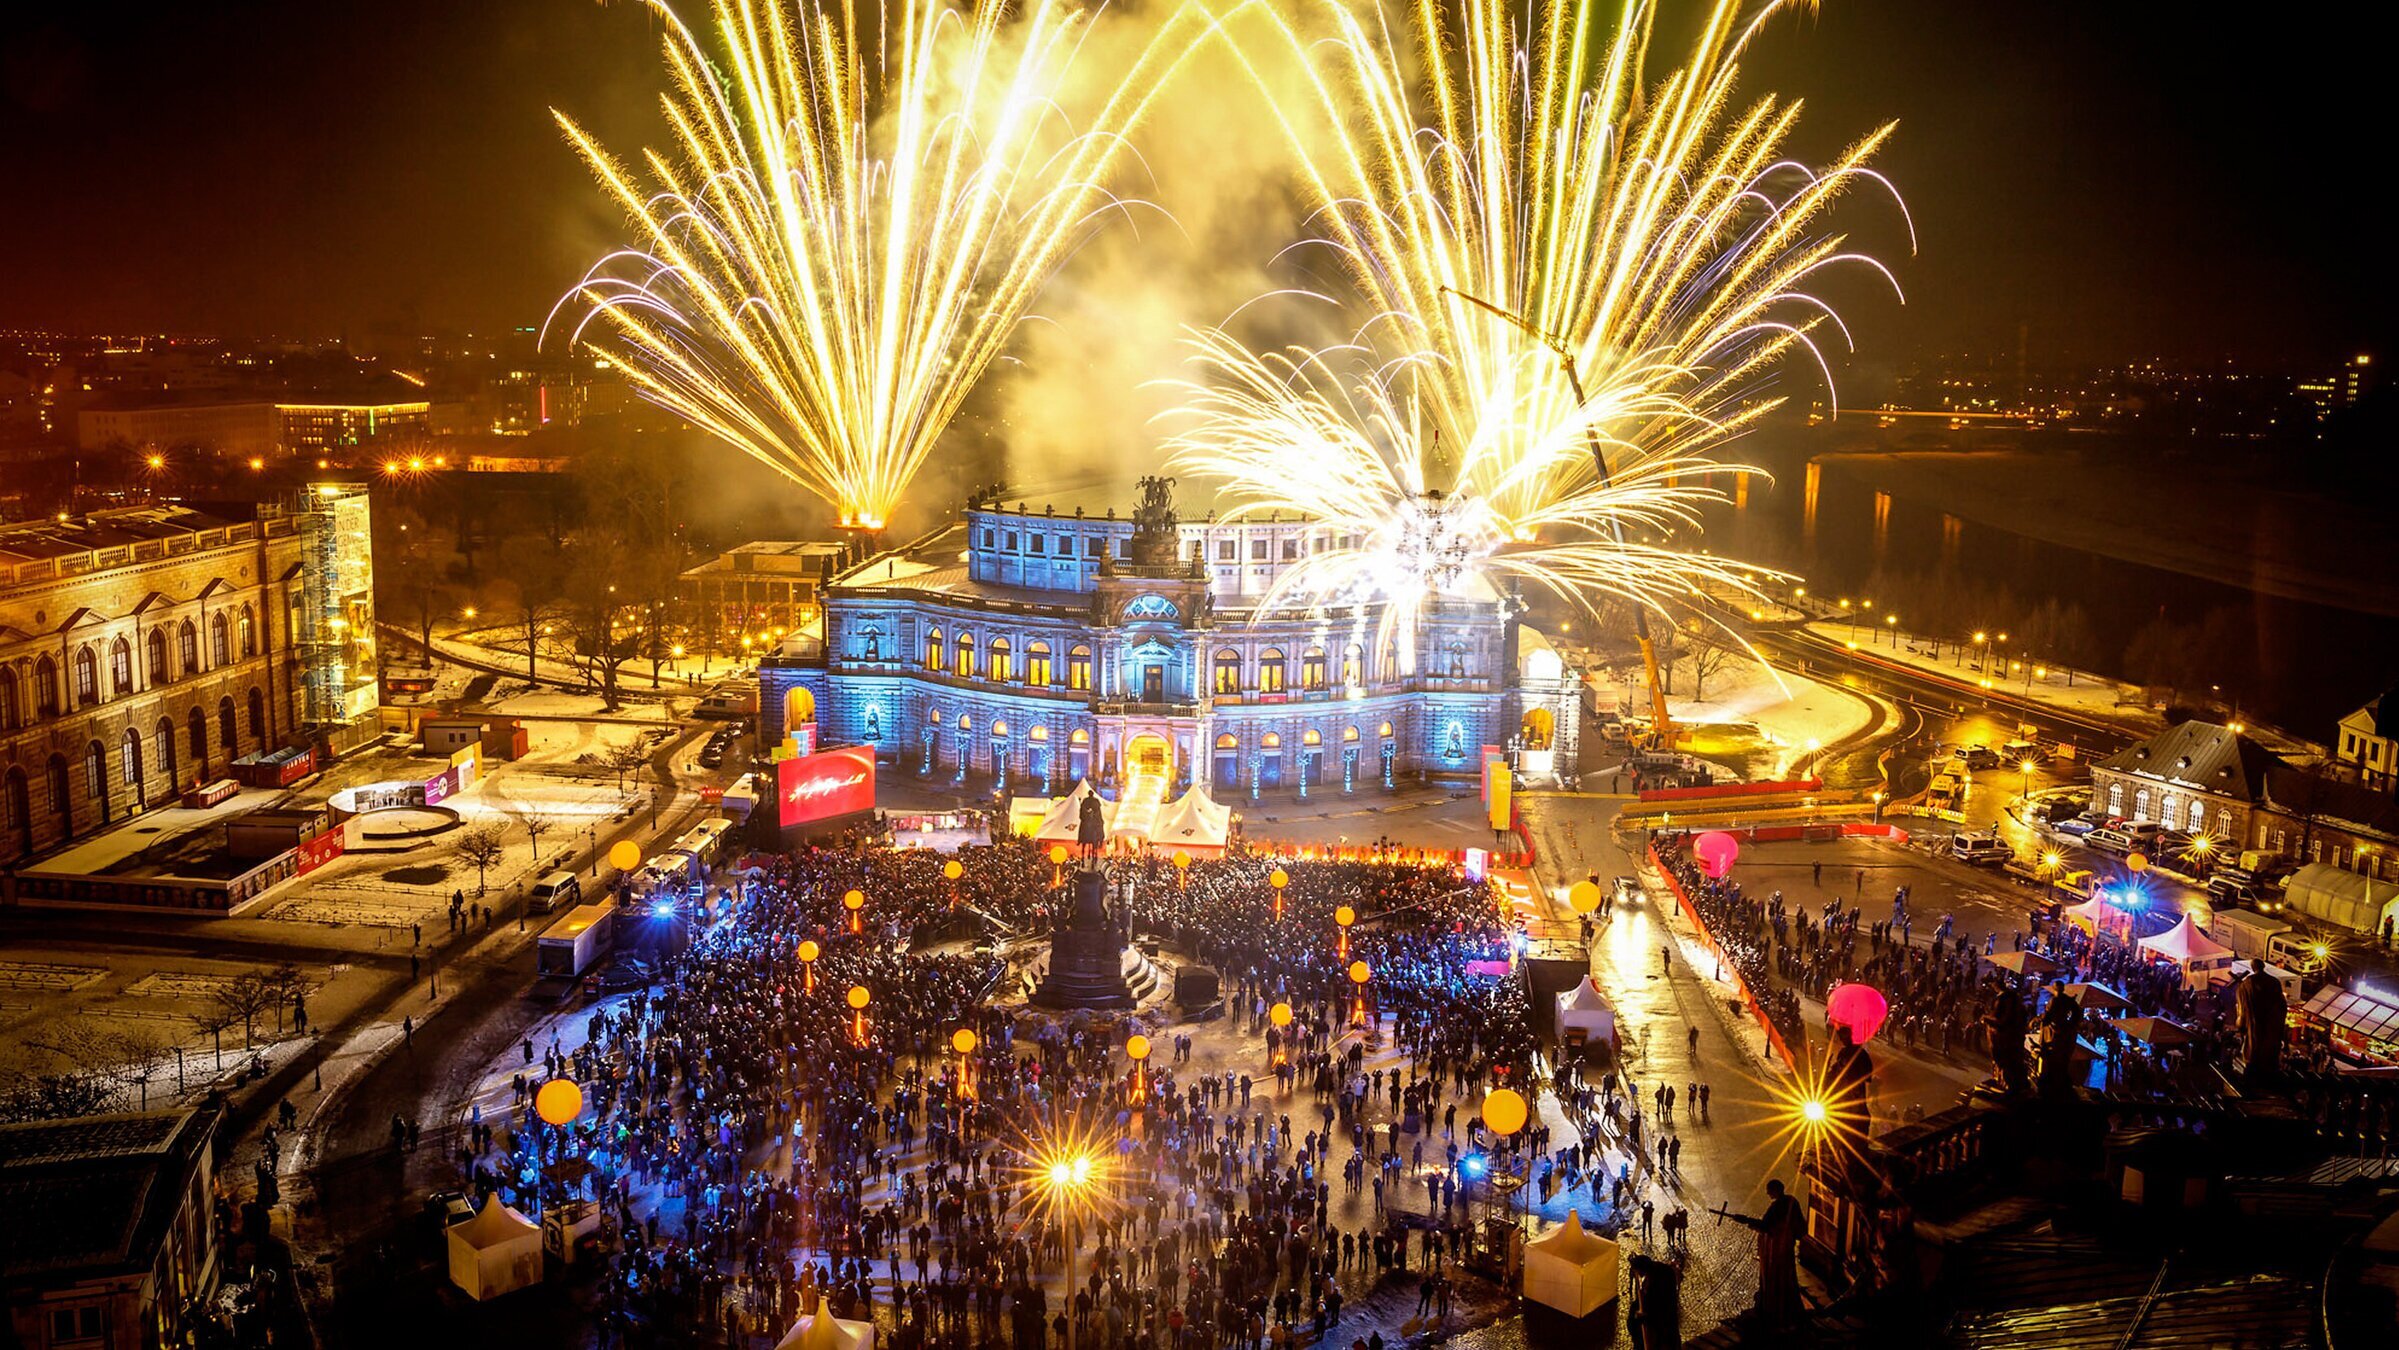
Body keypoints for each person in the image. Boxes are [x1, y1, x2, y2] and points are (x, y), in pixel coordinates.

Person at [1730, 1178, 1803, 1327]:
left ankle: (1774, 1310)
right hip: (1787, 1248)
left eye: (1769, 1190)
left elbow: (1765, 1226)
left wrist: (1746, 1220)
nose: (1767, 1193)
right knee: (1787, 1277)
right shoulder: (1792, 1201)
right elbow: (1799, 1225)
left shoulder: (1776, 1207)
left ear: (1776, 1190)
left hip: (1775, 1250)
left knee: (1774, 1278)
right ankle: (1787, 1309)